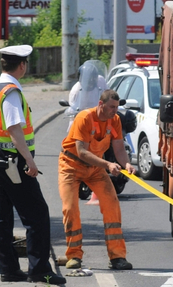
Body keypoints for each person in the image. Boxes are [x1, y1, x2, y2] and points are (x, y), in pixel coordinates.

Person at [0, 45, 66, 285]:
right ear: (22, 65)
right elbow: (14, 129)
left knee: (2, 217)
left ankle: (8, 270)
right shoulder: (11, 92)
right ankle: (39, 270)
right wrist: (30, 161)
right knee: (37, 215)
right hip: (13, 162)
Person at [58, 90, 136, 270]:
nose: (115, 111)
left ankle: (117, 257)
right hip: (71, 166)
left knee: (112, 205)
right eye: (111, 107)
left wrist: (126, 165)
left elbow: (119, 149)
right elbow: (82, 152)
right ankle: (74, 255)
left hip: (95, 169)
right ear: (101, 105)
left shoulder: (115, 120)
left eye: (117, 107)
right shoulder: (84, 118)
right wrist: (108, 165)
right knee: (70, 208)